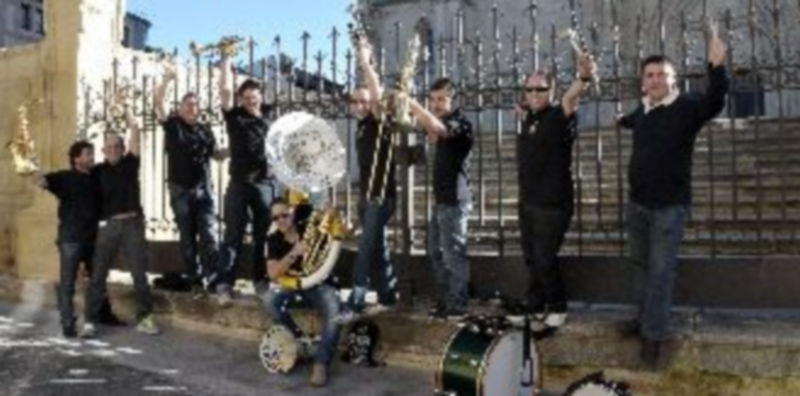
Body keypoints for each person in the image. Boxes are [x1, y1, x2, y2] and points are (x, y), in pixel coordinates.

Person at [618, 21, 728, 368]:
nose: (654, 80)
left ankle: (653, 337)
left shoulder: (687, 107)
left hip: (669, 207)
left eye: (661, 75)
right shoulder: (645, 111)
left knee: (660, 272)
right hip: (638, 205)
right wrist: (620, 120)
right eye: (649, 75)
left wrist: (717, 66)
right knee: (639, 267)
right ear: (643, 81)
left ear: (673, 79)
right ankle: (643, 319)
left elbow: (714, 101)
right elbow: (633, 120)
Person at [516, 51, 596, 329]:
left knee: (544, 256)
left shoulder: (558, 114)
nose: (535, 93)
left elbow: (571, 97)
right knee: (531, 255)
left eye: (541, 89)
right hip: (528, 201)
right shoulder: (530, 118)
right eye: (530, 89)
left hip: (553, 202)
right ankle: (535, 305)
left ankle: (557, 305)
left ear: (552, 91)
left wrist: (583, 77)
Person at [81, 101, 159, 338]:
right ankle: (90, 320)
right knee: (98, 275)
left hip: (133, 224)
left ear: (122, 148)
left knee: (139, 273)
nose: (113, 149)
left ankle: (145, 317)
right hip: (108, 227)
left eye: (117, 146)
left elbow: (135, 131)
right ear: (103, 151)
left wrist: (125, 107)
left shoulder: (130, 163)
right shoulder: (96, 172)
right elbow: (75, 179)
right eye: (109, 147)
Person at [32, 141, 123, 337]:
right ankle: (67, 323)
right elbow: (41, 181)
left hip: (93, 239)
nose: (92, 157)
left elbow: (114, 164)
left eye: (92, 153)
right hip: (70, 239)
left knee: (97, 281)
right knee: (67, 283)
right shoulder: (64, 177)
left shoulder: (96, 176)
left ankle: (101, 315)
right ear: (76, 158)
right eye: (88, 154)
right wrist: (32, 165)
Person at [338, 34, 398, 321]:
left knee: (364, 250)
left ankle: (356, 302)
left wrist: (364, 60)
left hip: (381, 195)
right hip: (366, 195)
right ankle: (388, 295)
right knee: (378, 248)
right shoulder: (361, 126)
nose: (359, 105)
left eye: (363, 101)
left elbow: (376, 94)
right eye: (354, 101)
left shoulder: (379, 120)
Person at [212, 52, 280, 304]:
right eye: (247, 98)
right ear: (242, 99)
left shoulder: (271, 115)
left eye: (254, 97)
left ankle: (260, 282)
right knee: (233, 235)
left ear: (260, 96)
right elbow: (225, 91)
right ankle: (224, 284)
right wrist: (226, 58)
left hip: (265, 183)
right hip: (239, 182)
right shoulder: (235, 116)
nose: (251, 101)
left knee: (264, 236)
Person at [154, 61, 226, 292]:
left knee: (209, 234)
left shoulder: (205, 130)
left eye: (195, 105)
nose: (192, 108)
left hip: (203, 189)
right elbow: (157, 103)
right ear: (181, 107)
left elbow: (215, 155)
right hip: (180, 190)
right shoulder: (173, 125)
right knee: (187, 239)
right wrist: (167, 80)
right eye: (188, 104)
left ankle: (212, 278)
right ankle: (194, 280)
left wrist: (236, 148)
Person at [408, 78, 474, 318]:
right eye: (432, 99)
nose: (436, 104)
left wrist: (413, 105)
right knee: (435, 253)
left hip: (456, 200)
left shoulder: (461, 123)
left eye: (441, 99)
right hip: (441, 200)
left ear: (452, 99)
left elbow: (438, 129)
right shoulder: (441, 122)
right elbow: (432, 128)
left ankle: (458, 305)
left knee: (453, 254)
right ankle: (447, 301)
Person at [259, 198, 341, 387]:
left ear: (292, 213)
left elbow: (340, 234)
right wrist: (294, 252)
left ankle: (321, 363)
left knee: (335, 309)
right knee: (269, 300)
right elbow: (272, 274)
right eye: (276, 217)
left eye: (284, 215)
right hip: (292, 286)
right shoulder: (273, 239)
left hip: (317, 285)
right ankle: (297, 343)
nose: (280, 220)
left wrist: (332, 215)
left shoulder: (308, 229)